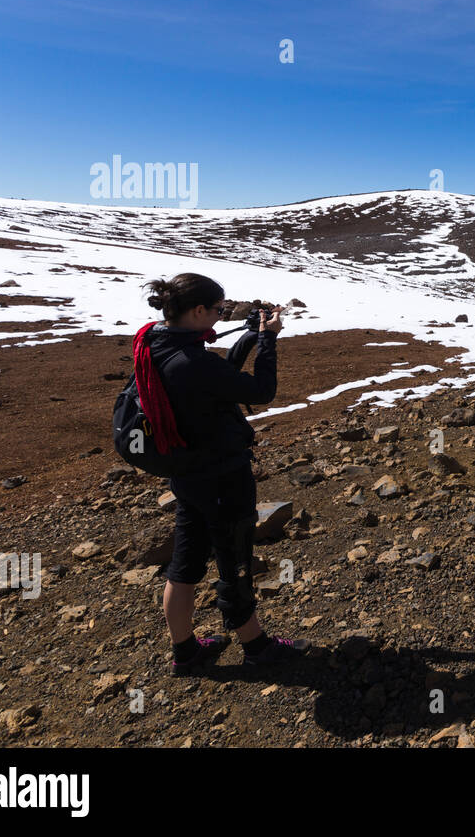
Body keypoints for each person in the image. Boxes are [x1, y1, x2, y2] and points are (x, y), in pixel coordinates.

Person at [137, 272, 310, 675]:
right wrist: (268, 341)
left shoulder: (154, 344)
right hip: (219, 474)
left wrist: (249, 336)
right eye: (217, 310)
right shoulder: (191, 361)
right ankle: (257, 648)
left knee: (185, 564)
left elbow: (219, 379)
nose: (218, 318)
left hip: (186, 473)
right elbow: (257, 391)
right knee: (234, 559)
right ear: (198, 310)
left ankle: (185, 652)